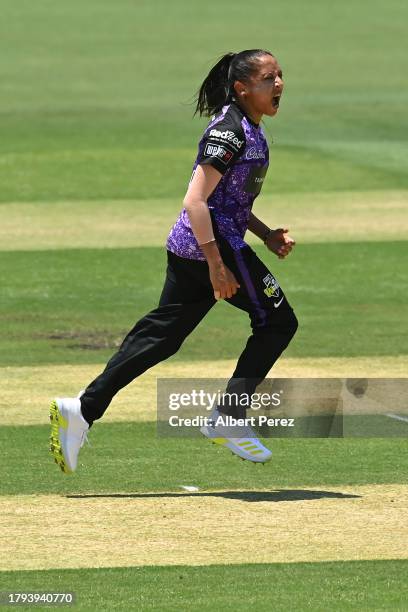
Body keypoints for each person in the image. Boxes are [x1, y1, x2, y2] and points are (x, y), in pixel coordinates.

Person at [49, 48, 298, 474]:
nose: (279, 85)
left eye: (280, 76)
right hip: (210, 248)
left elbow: (231, 200)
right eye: (267, 79)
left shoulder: (250, 128)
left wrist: (265, 233)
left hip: (196, 246)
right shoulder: (230, 132)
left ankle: (82, 410)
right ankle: (229, 417)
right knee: (278, 322)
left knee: (161, 337)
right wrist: (217, 266)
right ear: (242, 89)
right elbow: (196, 200)